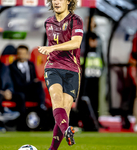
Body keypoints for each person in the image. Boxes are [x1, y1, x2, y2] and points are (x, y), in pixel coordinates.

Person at [38, 0, 83, 149]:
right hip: (53, 67)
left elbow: (76, 43)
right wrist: (51, 52)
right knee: (56, 99)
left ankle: (54, 147)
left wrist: (52, 48)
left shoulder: (75, 20)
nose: (56, 2)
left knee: (65, 109)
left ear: (68, 1)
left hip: (72, 70)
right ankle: (67, 131)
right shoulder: (48, 22)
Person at [9, 45, 46, 110]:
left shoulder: (31, 64)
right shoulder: (12, 66)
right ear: (17, 55)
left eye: (24, 53)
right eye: (20, 53)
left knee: (39, 85)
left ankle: (41, 106)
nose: (22, 55)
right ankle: (41, 106)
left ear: (27, 54)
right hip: (19, 89)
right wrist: (33, 82)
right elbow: (17, 83)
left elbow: (34, 78)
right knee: (38, 84)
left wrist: (34, 82)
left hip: (30, 90)